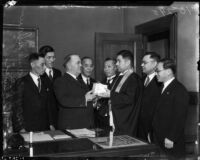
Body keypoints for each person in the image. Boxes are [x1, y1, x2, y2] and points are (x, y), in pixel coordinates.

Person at [98, 50, 143, 136]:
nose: (117, 64)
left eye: (119, 61)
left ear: (128, 62)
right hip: (115, 119)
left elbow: (129, 99)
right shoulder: (120, 77)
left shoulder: (133, 78)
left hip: (126, 121)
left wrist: (110, 95)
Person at [152, 58, 189, 158]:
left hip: (170, 141)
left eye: (158, 71)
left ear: (168, 71)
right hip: (159, 138)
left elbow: (180, 117)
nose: (156, 74)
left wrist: (171, 138)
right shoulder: (162, 88)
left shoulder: (179, 90)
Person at [12, 53, 55, 132]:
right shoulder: (22, 82)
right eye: (42, 64)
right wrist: (21, 128)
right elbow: (17, 107)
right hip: (27, 128)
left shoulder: (46, 82)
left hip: (44, 128)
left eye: (45, 64)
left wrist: (51, 124)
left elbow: (48, 105)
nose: (45, 67)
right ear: (32, 64)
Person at [54, 54, 96, 130]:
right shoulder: (61, 81)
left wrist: (93, 101)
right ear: (69, 66)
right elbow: (64, 100)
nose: (81, 65)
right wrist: (85, 99)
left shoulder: (80, 81)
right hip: (72, 126)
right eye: (78, 63)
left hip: (86, 126)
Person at [137, 52, 162, 142]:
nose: (141, 65)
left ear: (155, 64)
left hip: (153, 129)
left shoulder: (161, 82)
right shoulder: (141, 79)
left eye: (145, 62)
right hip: (140, 127)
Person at [39, 45, 62, 129]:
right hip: (44, 117)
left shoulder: (58, 73)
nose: (52, 60)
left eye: (53, 57)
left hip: (57, 115)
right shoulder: (39, 74)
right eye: (49, 57)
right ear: (42, 58)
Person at [95, 58, 118, 129]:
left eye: (109, 67)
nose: (106, 69)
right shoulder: (101, 82)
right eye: (105, 67)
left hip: (114, 116)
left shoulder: (119, 81)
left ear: (115, 68)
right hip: (101, 116)